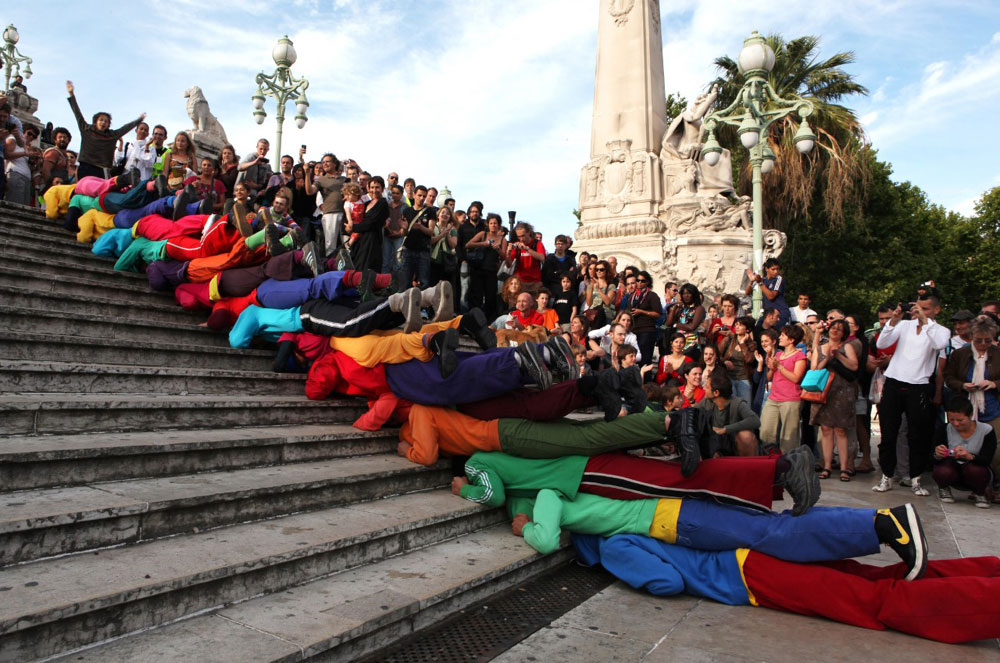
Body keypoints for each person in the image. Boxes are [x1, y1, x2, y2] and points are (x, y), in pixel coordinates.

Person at [572, 530, 1000, 643]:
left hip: (750, 576)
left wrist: (621, 571)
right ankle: (988, 570)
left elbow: (666, 582)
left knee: (869, 601)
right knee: (872, 577)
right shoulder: (626, 523)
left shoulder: (611, 546)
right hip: (753, 555)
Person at [873, 295, 951, 496]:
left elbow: (940, 344)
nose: (920, 311)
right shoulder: (905, 325)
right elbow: (882, 342)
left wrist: (925, 321)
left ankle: (916, 479)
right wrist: (894, 319)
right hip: (894, 382)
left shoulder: (941, 330)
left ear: (936, 310)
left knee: (918, 435)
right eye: (918, 307)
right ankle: (887, 476)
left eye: (925, 308)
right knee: (888, 433)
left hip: (919, 385)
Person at [944, 315, 1000, 493]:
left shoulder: (997, 354)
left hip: (991, 406)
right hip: (966, 407)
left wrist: (994, 384)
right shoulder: (961, 353)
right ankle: (972, 484)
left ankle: (994, 485)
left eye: (988, 340)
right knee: (964, 447)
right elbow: (949, 377)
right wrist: (962, 385)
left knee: (996, 450)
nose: (983, 344)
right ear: (972, 336)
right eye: (978, 340)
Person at [65, 80, 146, 179]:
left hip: (101, 170)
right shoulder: (86, 129)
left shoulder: (112, 135)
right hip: (85, 166)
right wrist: (71, 94)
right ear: (96, 121)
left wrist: (139, 120)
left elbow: (125, 128)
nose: (103, 123)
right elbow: (77, 114)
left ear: (108, 124)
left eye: (106, 121)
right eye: (101, 120)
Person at [810, 319, 859, 481]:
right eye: (833, 328)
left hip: (842, 391)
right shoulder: (820, 347)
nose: (835, 331)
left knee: (840, 430)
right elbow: (814, 368)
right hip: (824, 391)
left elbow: (854, 366)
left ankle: (844, 467)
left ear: (844, 333)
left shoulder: (847, 347)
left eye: (839, 329)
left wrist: (838, 355)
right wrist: (826, 359)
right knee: (825, 429)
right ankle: (827, 466)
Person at [932, 396, 997, 508]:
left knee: (976, 470)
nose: (956, 424)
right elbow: (932, 459)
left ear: (970, 416)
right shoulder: (944, 429)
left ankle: (979, 492)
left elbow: (987, 459)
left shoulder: (987, 430)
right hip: (952, 469)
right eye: (951, 420)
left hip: (976, 471)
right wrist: (937, 454)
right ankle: (944, 487)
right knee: (942, 470)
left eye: (960, 420)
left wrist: (970, 456)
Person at [760, 325, 808, 454]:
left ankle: (790, 465)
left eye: (783, 335)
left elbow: (796, 378)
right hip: (773, 398)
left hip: (791, 399)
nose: (780, 337)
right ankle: (768, 459)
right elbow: (769, 377)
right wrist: (770, 365)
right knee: (766, 431)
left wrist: (779, 367)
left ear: (791, 339)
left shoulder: (800, 357)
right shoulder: (779, 354)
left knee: (789, 437)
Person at [623, 270, 662, 368]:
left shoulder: (652, 295)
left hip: (647, 330)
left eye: (642, 281)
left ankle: (646, 381)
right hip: (634, 330)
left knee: (645, 359)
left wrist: (642, 312)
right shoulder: (631, 296)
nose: (639, 283)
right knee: (633, 358)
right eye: (637, 280)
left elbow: (658, 314)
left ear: (647, 282)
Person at [399, 185, 436, 288]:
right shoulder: (407, 211)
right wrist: (404, 228)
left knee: (423, 282)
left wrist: (420, 227)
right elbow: (403, 233)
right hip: (408, 249)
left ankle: (423, 303)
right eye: (419, 195)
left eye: (424, 196)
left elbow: (431, 232)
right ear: (414, 195)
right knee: (405, 281)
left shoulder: (430, 211)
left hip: (423, 250)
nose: (421, 198)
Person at [349, 176, 388, 272]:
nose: (374, 190)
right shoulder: (366, 203)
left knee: (367, 267)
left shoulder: (383, 203)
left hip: (372, 240)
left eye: (377, 187)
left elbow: (372, 223)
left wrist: (354, 227)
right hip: (361, 239)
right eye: (372, 187)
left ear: (382, 188)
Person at [745, 258, 790, 328]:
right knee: (758, 330)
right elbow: (747, 292)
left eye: (777, 269)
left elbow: (771, 296)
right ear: (766, 269)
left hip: (780, 313)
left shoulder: (778, 279)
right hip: (768, 314)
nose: (776, 271)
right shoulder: (763, 280)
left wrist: (760, 283)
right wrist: (751, 281)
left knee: (775, 334)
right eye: (773, 269)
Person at [719, 315, 755, 401]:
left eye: (741, 325)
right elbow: (717, 356)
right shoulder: (728, 340)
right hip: (729, 378)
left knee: (745, 407)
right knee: (731, 407)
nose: (737, 327)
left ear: (748, 329)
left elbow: (749, 359)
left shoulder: (751, 344)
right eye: (736, 324)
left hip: (744, 378)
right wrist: (724, 362)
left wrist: (742, 344)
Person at [667, 283, 707, 353]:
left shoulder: (699, 308)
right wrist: (673, 309)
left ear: (694, 295)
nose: (686, 296)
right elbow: (669, 323)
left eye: (689, 293)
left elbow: (692, 327)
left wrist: (676, 325)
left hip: (691, 344)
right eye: (684, 294)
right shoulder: (681, 308)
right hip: (678, 343)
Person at [507, 221, 545, 293]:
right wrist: (508, 253)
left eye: (523, 236)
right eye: (519, 236)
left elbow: (542, 257)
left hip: (535, 281)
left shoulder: (537, 243)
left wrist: (527, 249)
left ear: (529, 232)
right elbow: (508, 265)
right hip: (520, 281)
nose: (521, 239)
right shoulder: (516, 245)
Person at [381, 183, 407, 272]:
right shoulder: (386, 205)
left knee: (398, 261)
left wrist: (400, 232)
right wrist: (389, 230)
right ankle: (384, 281)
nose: (395, 195)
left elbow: (406, 222)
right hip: (387, 236)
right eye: (393, 193)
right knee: (386, 261)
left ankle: (397, 282)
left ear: (402, 194)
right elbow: (384, 220)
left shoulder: (405, 206)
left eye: (397, 193)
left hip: (399, 236)